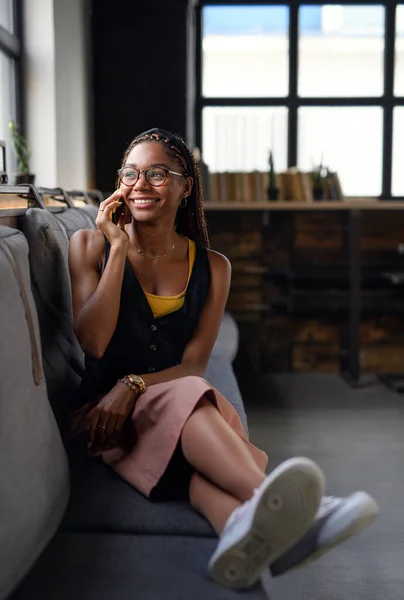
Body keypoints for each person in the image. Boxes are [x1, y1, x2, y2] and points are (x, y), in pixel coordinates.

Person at [68, 128, 378, 590]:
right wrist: (118, 250)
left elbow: (192, 364)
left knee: (196, 454)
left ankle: (242, 530)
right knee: (195, 401)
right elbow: (93, 344)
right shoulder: (89, 247)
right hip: (105, 421)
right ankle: (304, 513)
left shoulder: (214, 267)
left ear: (185, 186)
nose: (141, 185)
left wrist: (132, 385)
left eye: (157, 173)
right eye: (130, 173)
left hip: (170, 405)